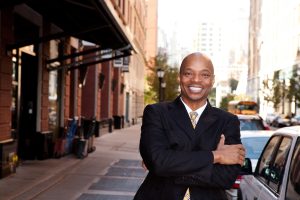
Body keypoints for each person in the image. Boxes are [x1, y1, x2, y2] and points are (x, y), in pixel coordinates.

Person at [133, 52, 245, 200]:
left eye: (204, 75)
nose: (196, 80)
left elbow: (226, 178)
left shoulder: (228, 121)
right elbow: (158, 162)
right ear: (180, 77)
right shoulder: (156, 113)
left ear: (212, 80)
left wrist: (170, 166)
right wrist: (216, 156)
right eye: (188, 73)